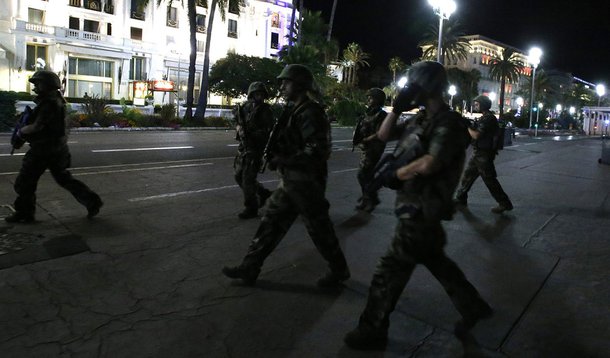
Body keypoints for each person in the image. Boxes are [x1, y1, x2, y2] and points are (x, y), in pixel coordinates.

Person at [343, 61, 492, 350]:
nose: (409, 89)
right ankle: (472, 306)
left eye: (412, 84)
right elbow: (385, 135)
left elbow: (431, 161)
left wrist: (394, 174)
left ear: (425, 85)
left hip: (423, 209)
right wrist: (396, 108)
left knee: (388, 272)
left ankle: (372, 329)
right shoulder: (420, 118)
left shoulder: (448, 122)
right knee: (436, 260)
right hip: (415, 206)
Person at [222, 64, 350, 287]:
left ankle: (339, 270)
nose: (281, 86)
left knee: (320, 231)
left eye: (286, 82)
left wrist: (284, 160)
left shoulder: (311, 112)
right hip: (291, 181)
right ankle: (250, 267)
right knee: (270, 223)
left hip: (307, 184)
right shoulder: (293, 110)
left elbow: (318, 151)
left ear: (299, 85)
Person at [5, 70, 103, 223]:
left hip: (43, 150)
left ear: (47, 85)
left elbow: (37, 127)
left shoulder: (49, 103)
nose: (35, 87)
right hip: (58, 149)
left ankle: (24, 213)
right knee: (64, 179)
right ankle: (92, 201)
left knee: (24, 181)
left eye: (38, 83)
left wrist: (20, 132)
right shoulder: (56, 100)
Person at [454, 95, 513, 214]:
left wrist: (467, 126)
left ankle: (504, 203)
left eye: (477, 104)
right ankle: (460, 198)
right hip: (479, 153)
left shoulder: (489, 119)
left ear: (484, 105)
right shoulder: (484, 118)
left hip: (484, 155)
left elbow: (476, 135)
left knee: (490, 180)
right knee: (467, 176)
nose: (475, 106)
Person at [233, 81, 274, 219]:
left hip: (256, 149)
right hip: (243, 148)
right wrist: (239, 128)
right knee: (238, 176)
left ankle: (251, 207)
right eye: (256, 93)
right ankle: (262, 193)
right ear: (251, 94)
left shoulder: (266, 110)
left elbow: (267, 131)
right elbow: (237, 120)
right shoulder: (245, 107)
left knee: (247, 180)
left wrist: (251, 133)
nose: (259, 96)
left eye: (261, 94)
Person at [354, 88, 387, 213]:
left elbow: (380, 133)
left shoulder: (381, 115)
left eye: (371, 97)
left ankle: (371, 199)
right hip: (366, 147)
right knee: (365, 175)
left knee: (363, 174)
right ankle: (368, 199)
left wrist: (367, 139)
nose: (368, 99)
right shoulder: (368, 113)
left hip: (375, 148)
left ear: (378, 99)